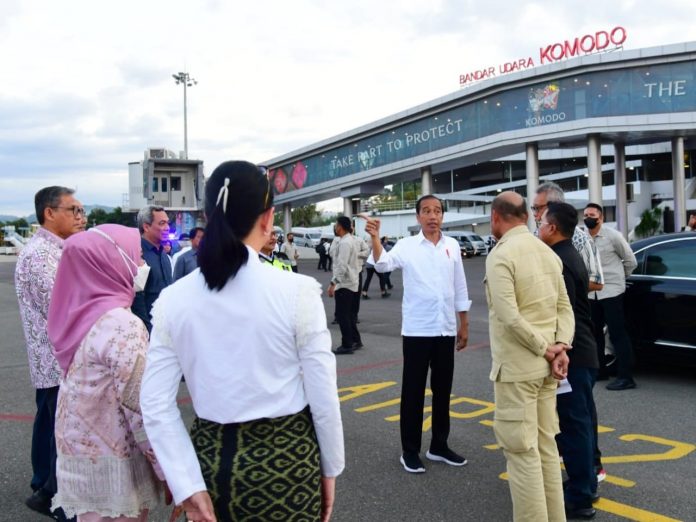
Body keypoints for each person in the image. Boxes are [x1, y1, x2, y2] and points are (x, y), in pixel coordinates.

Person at [140, 161, 344, 522]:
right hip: (290, 466)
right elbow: (323, 396)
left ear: (207, 215)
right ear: (268, 219)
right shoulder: (297, 291)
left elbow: (155, 405)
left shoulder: (174, 299)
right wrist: (330, 468)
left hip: (211, 463)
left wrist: (187, 484)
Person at [46, 224, 166, 521]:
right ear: (112, 262)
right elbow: (140, 406)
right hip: (114, 469)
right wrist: (170, 471)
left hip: (79, 461)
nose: (142, 265)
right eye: (136, 256)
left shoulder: (78, 316)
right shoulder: (122, 325)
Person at [365, 195, 471, 474]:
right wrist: (376, 237)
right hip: (417, 330)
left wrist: (464, 323)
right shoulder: (407, 245)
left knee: (443, 390)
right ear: (418, 217)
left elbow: (459, 285)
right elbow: (382, 265)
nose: (432, 216)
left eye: (437, 211)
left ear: (443, 216)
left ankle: (438, 445)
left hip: (445, 329)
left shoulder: (452, 245)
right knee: (413, 392)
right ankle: (409, 451)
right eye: (426, 211)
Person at [485, 191, 574, 522]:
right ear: (526, 216)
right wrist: (560, 346)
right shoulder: (547, 252)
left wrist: (545, 347)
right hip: (547, 370)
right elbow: (564, 307)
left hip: (518, 370)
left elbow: (509, 316)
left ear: (496, 217)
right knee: (547, 448)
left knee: (521, 455)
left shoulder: (501, 255)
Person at [14, 186, 86, 519]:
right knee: (60, 429)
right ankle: (51, 493)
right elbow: (63, 307)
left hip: (57, 360)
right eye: (73, 209)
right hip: (56, 360)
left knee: (49, 425)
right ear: (49, 213)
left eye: (81, 210)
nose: (80, 217)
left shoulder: (59, 250)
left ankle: (44, 484)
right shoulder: (40, 255)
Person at [533, 181, 607, 482]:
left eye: (539, 210)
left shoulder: (564, 254)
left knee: (576, 421)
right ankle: (583, 477)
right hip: (579, 344)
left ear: (553, 221)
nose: (535, 217)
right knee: (577, 419)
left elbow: (567, 301)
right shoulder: (557, 251)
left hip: (573, 347)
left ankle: (582, 488)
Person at [539, 203, 600, 520]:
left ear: (551, 228)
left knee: (574, 426)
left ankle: (580, 496)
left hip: (572, 354)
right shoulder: (568, 254)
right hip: (584, 351)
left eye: (540, 221)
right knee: (583, 424)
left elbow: (557, 313)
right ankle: (586, 484)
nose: (538, 226)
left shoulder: (558, 260)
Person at [583, 203, 638, 391]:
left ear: (601, 218)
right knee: (594, 333)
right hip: (592, 293)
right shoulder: (582, 237)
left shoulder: (613, 236)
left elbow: (631, 261)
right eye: (585, 214)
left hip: (612, 291)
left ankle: (626, 377)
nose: (588, 218)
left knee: (617, 334)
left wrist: (618, 279)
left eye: (592, 214)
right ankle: (600, 371)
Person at [532, 182, 604, 292]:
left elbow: (596, 283)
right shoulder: (535, 236)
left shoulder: (581, 240)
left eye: (538, 208)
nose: (535, 214)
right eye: (533, 208)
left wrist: (555, 288)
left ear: (556, 207)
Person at [131, 205, 172, 332]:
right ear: (146, 227)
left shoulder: (164, 255)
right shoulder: (136, 254)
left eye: (167, 223)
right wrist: (148, 332)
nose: (167, 228)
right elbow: (137, 299)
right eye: (162, 223)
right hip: (148, 331)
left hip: (167, 327)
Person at [328, 216, 363, 355]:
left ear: (341, 227)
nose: (335, 227)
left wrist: (333, 283)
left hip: (345, 284)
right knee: (348, 315)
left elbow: (341, 266)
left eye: (336, 225)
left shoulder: (344, 243)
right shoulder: (349, 240)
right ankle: (356, 340)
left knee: (343, 316)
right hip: (351, 281)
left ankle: (347, 344)